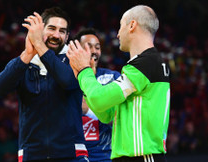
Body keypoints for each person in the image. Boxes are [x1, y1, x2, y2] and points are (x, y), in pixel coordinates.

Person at [67, 5, 170, 162]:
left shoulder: (146, 64)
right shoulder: (144, 64)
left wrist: (83, 71)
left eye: (121, 26)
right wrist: (85, 80)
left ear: (132, 25)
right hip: (129, 156)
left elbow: (99, 100)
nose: (117, 33)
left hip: (142, 156)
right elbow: (106, 113)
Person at [0, 7, 88, 161]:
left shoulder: (75, 59)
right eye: (51, 28)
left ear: (67, 36)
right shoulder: (23, 63)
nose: (56, 35)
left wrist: (39, 46)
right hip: (32, 154)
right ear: (40, 31)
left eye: (62, 31)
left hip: (71, 154)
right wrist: (27, 55)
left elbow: (67, 82)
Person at [73, 28, 121, 162]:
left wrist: (89, 110)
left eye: (97, 47)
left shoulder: (113, 78)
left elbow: (120, 118)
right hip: (72, 155)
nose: (94, 51)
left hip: (106, 155)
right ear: (77, 51)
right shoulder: (65, 80)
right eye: (88, 46)